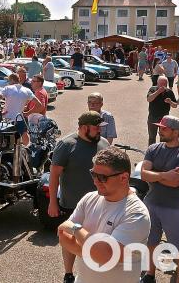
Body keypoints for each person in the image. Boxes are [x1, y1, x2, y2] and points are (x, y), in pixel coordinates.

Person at [57, 147, 151, 283]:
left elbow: (104, 256)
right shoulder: (89, 199)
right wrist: (94, 252)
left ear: (124, 177)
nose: (95, 181)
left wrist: (76, 228)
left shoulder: (137, 214)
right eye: (93, 174)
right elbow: (63, 238)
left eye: (102, 177)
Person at [49, 111, 111, 283]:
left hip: (100, 204)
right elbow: (54, 174)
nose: (100, 131)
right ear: (84, 128)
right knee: (70, 238)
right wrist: (52, 202)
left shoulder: (104, 144)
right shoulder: (67, 145)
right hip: (72, 204)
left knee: (95, 238)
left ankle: (93, 272)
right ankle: (68, 274)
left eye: (100, 127)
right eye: (96, 128)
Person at [140, 116, 179, 283]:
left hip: (173, 208)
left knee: (178, 248)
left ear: (176, 131)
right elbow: (143, 174)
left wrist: (154, 176)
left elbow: (176, 182)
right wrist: (165, 175)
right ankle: (149, 275)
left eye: (164, 128)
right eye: (160, 127)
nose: (160, 131)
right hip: (151, 203)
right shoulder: (153, 148)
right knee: (150, 242)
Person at [0, 73, 36, 147]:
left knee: (4, 138)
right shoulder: (26, 90)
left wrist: (0, 111)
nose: (8, 83)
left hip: (6, 118)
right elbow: (39, 104)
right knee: (25, 135)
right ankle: (27, 150)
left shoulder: (7, 88)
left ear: (12, 80)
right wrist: (28, 112)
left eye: (9, 81)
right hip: (19, 118)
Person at [146, 76, 178, 145]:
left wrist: (170, 102)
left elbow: (175, 105)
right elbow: (149, 99)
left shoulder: (169, 92)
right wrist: (158, 92)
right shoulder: (152, 89)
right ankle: (151, 152)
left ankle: (162, 152)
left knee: (164, 138)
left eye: (164, 84)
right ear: (157, 83)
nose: (163, 86)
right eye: (161, 84)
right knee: (152, 137)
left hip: (164, 119)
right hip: (153, 117)